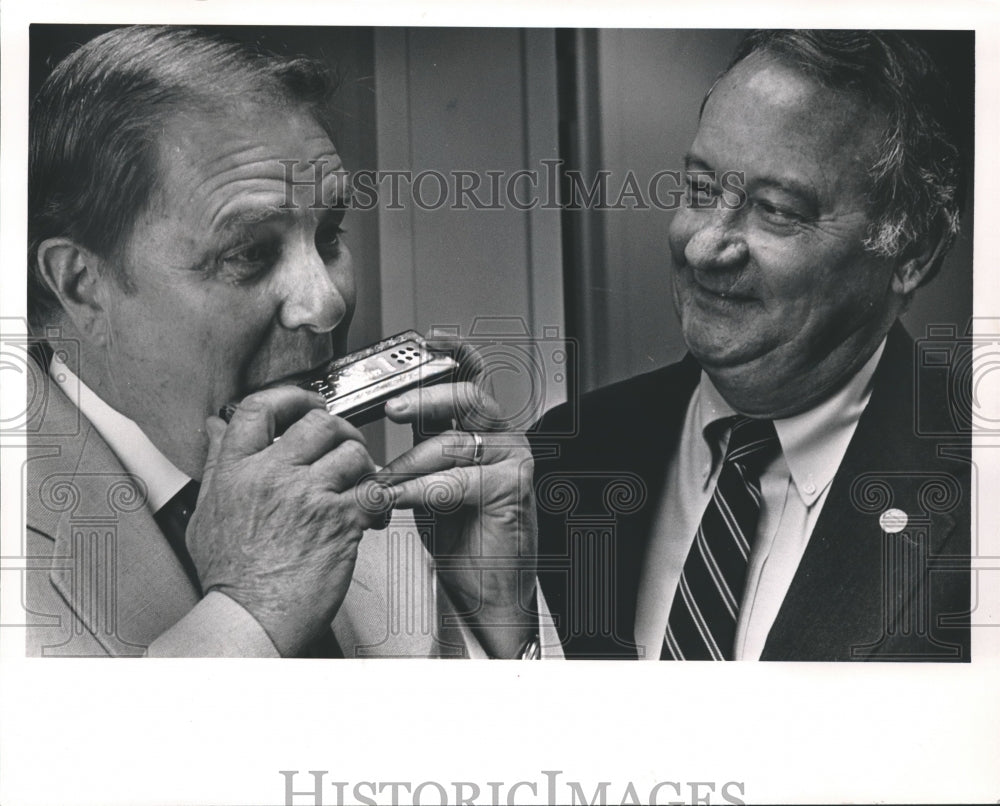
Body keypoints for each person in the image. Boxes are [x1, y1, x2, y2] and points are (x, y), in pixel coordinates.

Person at [25, 25, 544, 658]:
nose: (325, 303)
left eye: (329, 237)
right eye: (249, 253)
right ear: (82, 286)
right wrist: (249, 613)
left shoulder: (364, 489)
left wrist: (497, 624)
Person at [532, 30, 972, 661]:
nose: (704, 247)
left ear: (913, 252)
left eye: (776, 210)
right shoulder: (568, 456)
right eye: (701, 191)